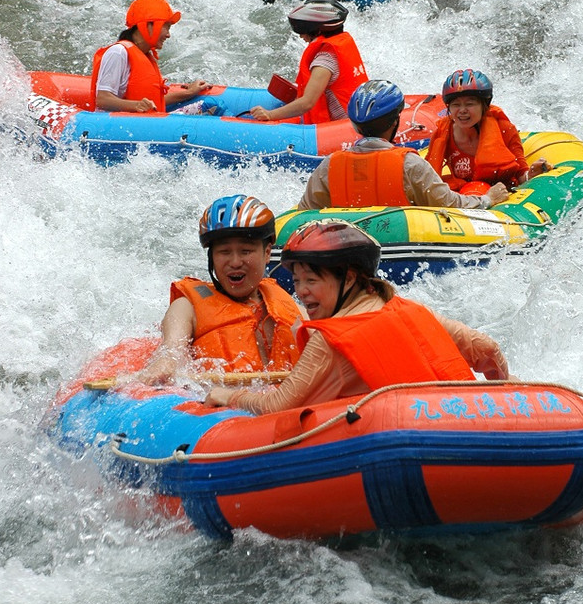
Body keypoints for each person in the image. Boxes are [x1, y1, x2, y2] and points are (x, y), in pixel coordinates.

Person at [205, 220, 511, 414]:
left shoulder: (328, 340)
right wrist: (502, 402)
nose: (302, 293)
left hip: (404, 447)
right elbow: (488, 349)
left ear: (349, 278)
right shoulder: (413, 310)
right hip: (465, 422)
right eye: (297, 282)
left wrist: (230, 397)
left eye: (312, 281)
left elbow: (276, 406)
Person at [134, 196, 304, 387]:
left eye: (246, 251)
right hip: (223, 410)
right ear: (212, 258)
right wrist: (164, 365)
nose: (235, 262)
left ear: (266, 254)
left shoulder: (292, 306)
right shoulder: (186, 307)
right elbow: (172, 349)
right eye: (224, 252)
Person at [298, 79, 511, 211]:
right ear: (395, 121)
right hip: (404, 242)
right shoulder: (409, 164)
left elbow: (304, 212)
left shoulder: (329, 165)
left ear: (355, 125)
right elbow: (452, 205)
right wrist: (487, 199)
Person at [426, 70, 549, 194]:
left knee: (477, 188)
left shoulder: (505, 129)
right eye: (456, 105)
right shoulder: (442, 134)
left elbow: (521, 175)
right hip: (464, 196)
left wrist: (532, 174)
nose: (462, 110)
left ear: (484, 106)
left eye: (470, 104)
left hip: (503, 193)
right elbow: (427, 178)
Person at [249, 0, 368, 124]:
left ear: (317, 30)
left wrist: (269, 114)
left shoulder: (325, 61)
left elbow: (307, 103)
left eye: (302, 30)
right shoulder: (341, 45)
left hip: (343, 129)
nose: (300, 35)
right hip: (357, 119)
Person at [91, 0, 210, 113]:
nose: (168, 35)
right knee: (211, 106)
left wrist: (188, 93)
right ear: (148, 25)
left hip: (142, 121)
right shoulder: (118, 52)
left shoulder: (145, 55)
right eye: (166, 27)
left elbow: (155, 101)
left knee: (209, 103)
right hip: (118, 125)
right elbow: (102, 100)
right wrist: (136, 105)